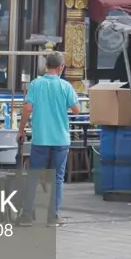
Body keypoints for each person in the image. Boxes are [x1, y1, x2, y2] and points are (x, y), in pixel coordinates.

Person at [17, 51, 80, 226]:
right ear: (61, 67)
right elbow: (76, 110)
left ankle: (27, 215)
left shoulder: (36, 84)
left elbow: (28, 108)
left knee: (33, 177)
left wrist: (21, 130)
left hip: (41, 139)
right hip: (61, 139)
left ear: (46, 66)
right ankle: (52, 217)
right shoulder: (65, 86)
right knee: (57, 178)